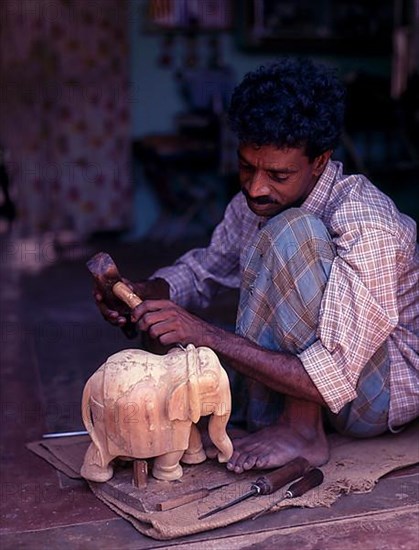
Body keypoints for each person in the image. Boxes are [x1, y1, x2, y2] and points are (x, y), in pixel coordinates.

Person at [95, 57, 419, 474]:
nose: (256, 186)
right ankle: (278, 419)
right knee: (173, 364)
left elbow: (332, 376)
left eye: (278, 174)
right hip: (316, 375)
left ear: (320, 162)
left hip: (373, 395)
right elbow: (206, 269)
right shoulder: (257, 201)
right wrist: (147, 292)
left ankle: (303, 432)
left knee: (292, 231)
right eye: (247, 166)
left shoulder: (370, 226)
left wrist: (206, 333)